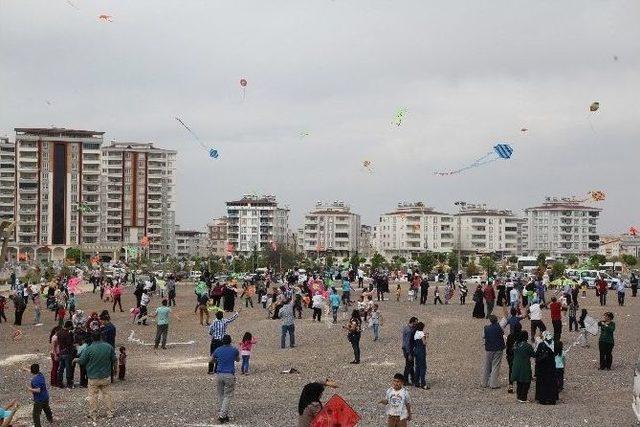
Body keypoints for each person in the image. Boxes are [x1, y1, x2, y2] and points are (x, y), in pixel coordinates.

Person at [76, 331, 117, 421]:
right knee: (107, 395)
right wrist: (115, 370)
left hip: (93, 377)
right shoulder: (108, 347)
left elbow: (82, 361)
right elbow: (114, 359)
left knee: (93, 396)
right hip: (105, 376)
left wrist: (76, 360)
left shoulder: (89, 349)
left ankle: (93, 414)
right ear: (101, 337)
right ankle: (110, 413)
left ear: (92, 338)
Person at [212, 334, 239, 424]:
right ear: (230, 341)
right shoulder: (234, 350)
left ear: (223, 341)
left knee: (221, 395)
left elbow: (212, 360)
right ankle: (222, 415)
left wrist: (217, 361)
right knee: (228, 395)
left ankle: (223, 413)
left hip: (219, 374)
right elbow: (238, 359)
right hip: (229, 374)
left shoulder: (218, 350)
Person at [534, 331, 558, 405]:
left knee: (542, 383)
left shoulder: (541, 345)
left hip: (542, 368)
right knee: (552, 383)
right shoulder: (555, 344)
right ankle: (552, 399)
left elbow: (536, 355)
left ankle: (543, 399)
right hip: (551, 367)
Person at [511, 330, 535, 402]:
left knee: (519, 381)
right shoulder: (527, 346)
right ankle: (523, 397)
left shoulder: (515, 344)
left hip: (516, 365)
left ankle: (519, 396)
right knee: (526, 381)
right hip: (524, 365)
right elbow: (533, 354)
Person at [482, 314, 505, 389]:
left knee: (487, 365)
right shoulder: (499, 327)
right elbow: (502, 333)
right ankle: (493, 384)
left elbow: (483, 336)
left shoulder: (486, 328)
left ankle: (484, 383)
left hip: (489, 348)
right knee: (495, 365)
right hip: (498, 348)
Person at [28, 363, 54, 427]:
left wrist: (30, 389)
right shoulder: (41, 375)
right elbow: (34, 371)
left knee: (36, 415)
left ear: (32, 371)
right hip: (45, 396)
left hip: (39, 399)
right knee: (46, 408)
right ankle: (50, 419)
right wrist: (26, 369)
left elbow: (38, 390)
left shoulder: (34, 380)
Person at [56, 320, 75, 388]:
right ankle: (69, 383)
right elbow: (69, 343)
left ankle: (59, 382)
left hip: (61, 352)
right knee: (68, 368)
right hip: (67, 353)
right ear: (69, 326)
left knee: (61, 368)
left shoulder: (59, 332)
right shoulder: (67, 333)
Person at [401, 317, 417, 386]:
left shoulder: (406, 328)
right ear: (412, 322)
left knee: (410, 365)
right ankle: (405, 380)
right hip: (408, 350)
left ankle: (413, 379)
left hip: (405, 348)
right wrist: (409, 353)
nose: (416, 323)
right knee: (408, 366)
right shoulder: (409, 330)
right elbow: (408, 342)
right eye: (415, 322)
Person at [413, 322, 428, 389]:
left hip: (416, 350)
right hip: (421, 351)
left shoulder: (416, 332)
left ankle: (416, 382)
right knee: (423, 367)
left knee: (417, 367)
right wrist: (426, 337)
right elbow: (424, 343)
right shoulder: (421, 333)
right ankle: (423, 383)